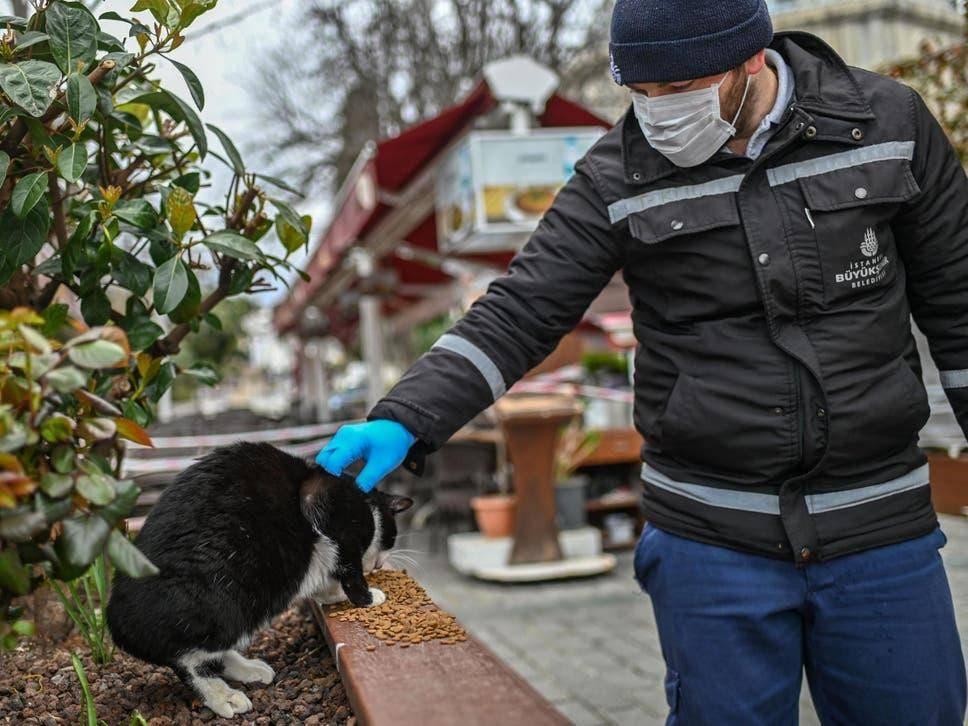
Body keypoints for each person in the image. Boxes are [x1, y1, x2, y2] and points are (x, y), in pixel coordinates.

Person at [317, 0, 968, 722]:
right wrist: (405, 418)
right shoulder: (616, 176)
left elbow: (960, 304)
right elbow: (522, 310)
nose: (659, 113)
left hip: (879, 529)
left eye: (680, 91)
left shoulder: (886, 126)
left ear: (751, 58)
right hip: (712, 539)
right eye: (641, 93)